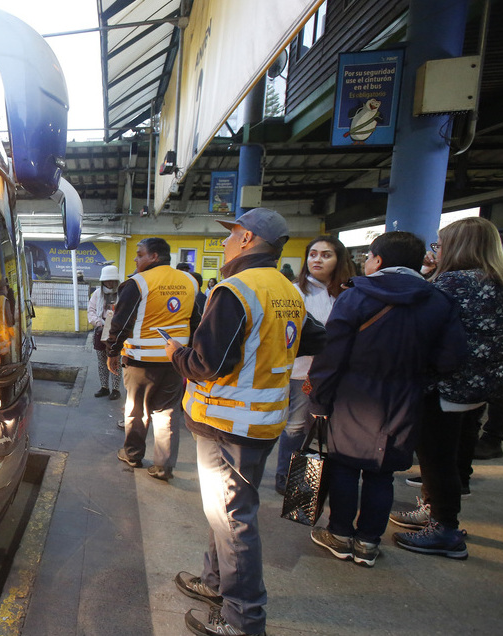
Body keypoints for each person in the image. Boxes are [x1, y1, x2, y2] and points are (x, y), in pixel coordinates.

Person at [166, 208, 325, 636]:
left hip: (225, 425)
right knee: (225, 514)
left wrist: (176, 356)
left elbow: (205, 364)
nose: (225, 242)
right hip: (261, 423)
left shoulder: (235, 290)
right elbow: (315, 338)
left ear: (249, 239)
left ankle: (243, 619)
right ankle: (215, 583)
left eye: (231, 234)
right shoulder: (287, 290)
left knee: (233, 521)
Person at [305, 231, 466, 568]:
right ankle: (367, 543)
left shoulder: (355, 297)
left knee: (346, 466)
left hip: (354, 396)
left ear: (377, 260)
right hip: (407, 397)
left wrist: (319, 398)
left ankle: (340, 535)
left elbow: (331, 354)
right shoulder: (438, 301)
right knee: (382, 473)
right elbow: (451, 358)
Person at [391, 217, 503, 558]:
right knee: (453, 453)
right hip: (480, 385)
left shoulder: (454, 283)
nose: (435, 252)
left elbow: (421, 325)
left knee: (436, 457)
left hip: (445, 386)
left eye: (439, 245)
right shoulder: (499, 280)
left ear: (459, 247)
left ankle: (445, 528)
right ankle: (434, 510)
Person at [105, 238, 200, 481]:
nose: (136, 259)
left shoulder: (137, 283)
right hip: (175, 362)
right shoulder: (189, 281)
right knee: (167, 414)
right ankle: (163, 467)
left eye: (140, 254)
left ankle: (133, 454)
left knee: (137, 411)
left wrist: (113, 352)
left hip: (140, 363)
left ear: (154, 256)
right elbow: (196, 321)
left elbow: (121, 323)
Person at [273, 236, 356, 495]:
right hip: (301, 372)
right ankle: (287, 476)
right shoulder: (295, 290)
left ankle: (314, 479)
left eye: (326, 255)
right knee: (296, 426)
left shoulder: (348, 292)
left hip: (336, 374)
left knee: (324, 428)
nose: (317, 259)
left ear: (339, 260)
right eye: (313, 254)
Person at [473, 229, 503, 460]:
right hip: (494, 351)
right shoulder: (497, 275)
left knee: (498, 394)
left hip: (496, 351)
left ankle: (493, 437)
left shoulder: (493, 278)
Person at [88, 265, 122, 400]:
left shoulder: (122, 293)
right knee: (102, 360)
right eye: (107, 281)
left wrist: (115, 324)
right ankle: (104, 387)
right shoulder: (97, 294)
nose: (110, 283)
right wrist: (99, 323)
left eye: (112, 280)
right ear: (102, 281)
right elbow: (91, 311)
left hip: (117, 331)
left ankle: (115, 389)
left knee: (116, 360)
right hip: (101, 329)